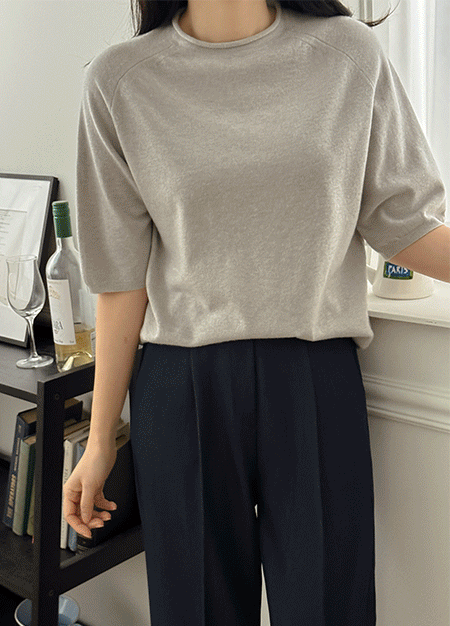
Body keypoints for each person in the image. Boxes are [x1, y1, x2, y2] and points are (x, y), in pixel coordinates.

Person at [63, 1, 450, 625]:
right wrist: (100, 438)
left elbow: (405, 226)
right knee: (194, 609)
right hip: (180, 387)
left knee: (329, 607)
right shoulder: (120, 80)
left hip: (315, 376)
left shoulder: (348, 56)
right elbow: (120, 282)